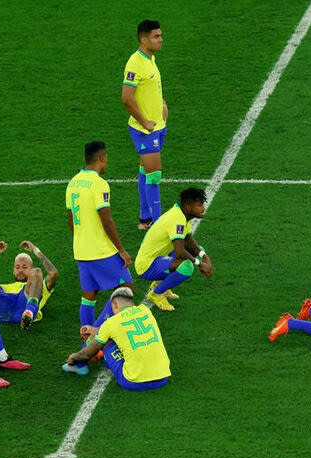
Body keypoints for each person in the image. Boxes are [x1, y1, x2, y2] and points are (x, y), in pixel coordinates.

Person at [66, 141, 133, 331]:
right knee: (126, 290)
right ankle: (96, 332)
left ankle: (86, 345)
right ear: (101, 157)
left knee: (89, 296)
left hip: (81, 250)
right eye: (106, 159)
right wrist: (121, 250)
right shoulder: (99, 184)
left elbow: (71, 219)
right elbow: (107, 220)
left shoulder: (73, 182)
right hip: (100, 251)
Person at [63, 287, 171, 391]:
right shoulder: (145, 310)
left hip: (134, 382)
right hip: (163, 377)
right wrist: (96, 329)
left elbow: (87, 354)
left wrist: (74, 357)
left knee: (106, 342)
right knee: (118, 336)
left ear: (114, 304)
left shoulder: (110, 323)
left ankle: (81, 367)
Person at [134, 187, 213, 311]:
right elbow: (180, 252)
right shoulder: (177, 219)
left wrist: (204, 256)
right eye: (199, 205)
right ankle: (156, 294)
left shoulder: (182, 215)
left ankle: (160, 284)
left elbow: (188, 241)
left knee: (196, 250)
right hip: (147, 265)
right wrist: (200, 264)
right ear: (188, 206)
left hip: (158, 257)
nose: (203, 208)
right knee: (187, 267)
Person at [122, 19, 168, 229]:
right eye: (156, 36)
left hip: (157, 126)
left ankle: (145, 219)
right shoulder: (135, 63)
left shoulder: (150, 58)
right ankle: (158, 225)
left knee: (145, 170)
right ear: (143, 38)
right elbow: (127, 98)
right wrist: (145, 122)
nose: (161, 39)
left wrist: (162, 103)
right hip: (145, 130)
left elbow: (149, 89)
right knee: (154, 174)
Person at [0, 240, 58, 330]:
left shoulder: (38, 286)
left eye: (25, 267)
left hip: (24, 303)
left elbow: (53, 273)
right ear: (13, 270)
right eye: (17, 267)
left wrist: (35, 250)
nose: (20, 270)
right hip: (3, 304)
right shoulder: (5, 287)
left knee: (37, 271)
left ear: (30, 269)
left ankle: (29, 311)